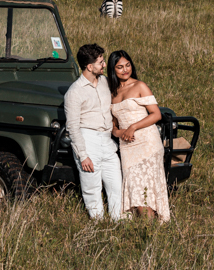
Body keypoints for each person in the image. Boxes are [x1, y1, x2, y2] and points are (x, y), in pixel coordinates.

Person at [107, 49, 171, 222]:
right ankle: (148, 230)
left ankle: (150, 231)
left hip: (147, 143)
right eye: (119, 67)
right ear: (113, 70)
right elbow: (113, 126)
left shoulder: (139, 86)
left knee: (146, 189)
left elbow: (156, 114)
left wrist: (133, 127)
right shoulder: (112, 92)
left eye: (127, 65)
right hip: (128, 146)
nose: (125, 70)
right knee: (135, 187)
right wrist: (120, 132)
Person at [63, 43, 123, 220]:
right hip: (88, 139)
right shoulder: (74, 92)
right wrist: (83, 155)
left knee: (116, 184)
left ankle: (117, 221)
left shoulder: (105, 82)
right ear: (90, 67)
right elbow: (72, 127)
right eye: (100, 62)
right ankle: (98, 222)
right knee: (92, 187)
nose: (104, 65)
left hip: (107, 139)